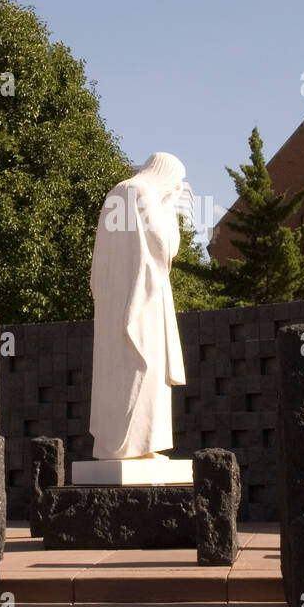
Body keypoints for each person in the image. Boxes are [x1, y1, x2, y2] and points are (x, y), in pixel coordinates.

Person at [88, 152, 187, 460]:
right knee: (144, 367)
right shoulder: (143, 193)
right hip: (144, 298)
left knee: (116, 370)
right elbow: (164, 246)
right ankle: (139, 447)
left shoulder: (117, 192)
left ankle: (112, 446)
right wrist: (169, 205)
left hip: (115, 299)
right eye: (176, 182)